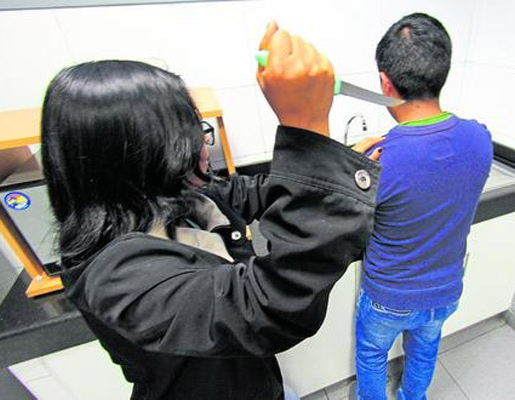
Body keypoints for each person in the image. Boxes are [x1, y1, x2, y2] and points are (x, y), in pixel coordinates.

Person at [41, 22, 382, 400]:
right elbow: (266, 309)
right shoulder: (115, 278)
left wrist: (333, 168)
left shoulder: (175, 199)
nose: (204, 147)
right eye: (188, 137)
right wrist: (309, 135)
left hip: (255, 383)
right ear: (132, 157)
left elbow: (251, 191)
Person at [354, 13, 494, 400]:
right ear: (442, 71)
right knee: (425, 350)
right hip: (446, 290)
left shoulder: (380, 160)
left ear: (385, 83)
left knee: (372, 354)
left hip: (389, 294)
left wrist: (356, 160)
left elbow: (346, 211)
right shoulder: (481, 139)